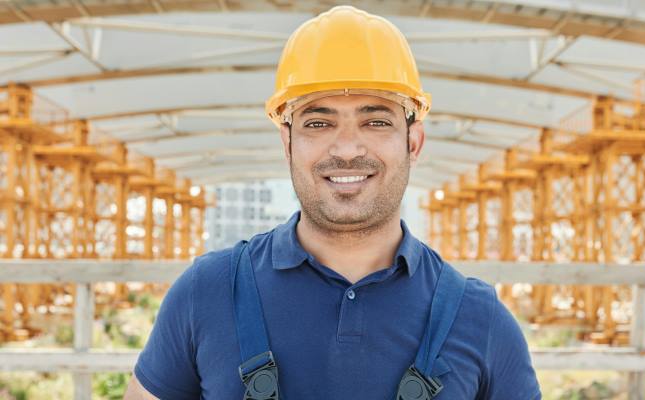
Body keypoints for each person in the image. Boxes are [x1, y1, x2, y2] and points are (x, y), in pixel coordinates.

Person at [124, 5, 541, 399]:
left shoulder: (480, 319)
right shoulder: (207, 293)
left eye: (375, 121)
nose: (345, 148)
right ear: (286, 142)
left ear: (413, 142)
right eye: (318, 122)